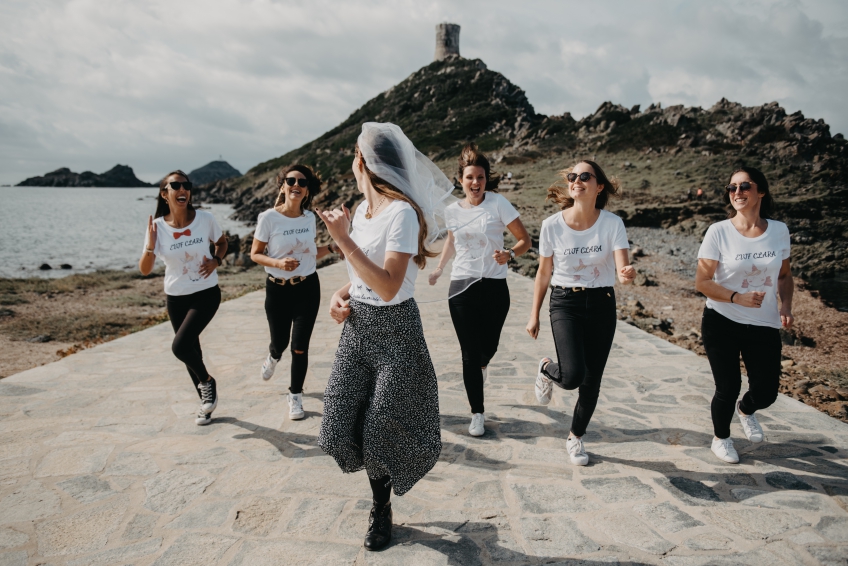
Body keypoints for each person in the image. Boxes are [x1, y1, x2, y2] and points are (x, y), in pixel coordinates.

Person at [317, 123, 449, 551]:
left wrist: (341, 240)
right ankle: (379, 486)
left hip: (396, 332)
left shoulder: (403, 214)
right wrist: (338, 296)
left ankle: (381, 508)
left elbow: (390, 285)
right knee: (337, 427)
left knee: (379, 430)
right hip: (357, 328)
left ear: (363, 161)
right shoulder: (361, 211)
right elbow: (361, 278)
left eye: (354, 156)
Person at [526, 161, 635, 465]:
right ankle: (547, 368)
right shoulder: (551, 225)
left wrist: (626, 273)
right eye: (573, 176)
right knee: (573, 375)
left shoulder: (612, 223)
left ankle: (576, 437)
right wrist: (534, 314)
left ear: (599, 186)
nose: (577, 180)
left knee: (592, 381)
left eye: (585, 176)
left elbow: (622, 266)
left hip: (602, 303)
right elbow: (543, 272)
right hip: (565, 303)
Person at [428, 144, 531, 436]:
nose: (476, 183)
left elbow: (524, 240)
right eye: (470, 177)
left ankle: (482, 364)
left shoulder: (499, 204)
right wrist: (439, 268)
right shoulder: (452, 211)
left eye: (481, 177)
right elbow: (451, 241)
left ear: (487, 180)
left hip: (495, 286)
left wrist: (509, 254)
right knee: (469, 354)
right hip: (461, 286)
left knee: (489, 348)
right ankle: (477, 412)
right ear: (461, 180)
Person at [695, 166, 793, 464]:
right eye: (732, 188)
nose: (737, 192)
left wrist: (786, 306)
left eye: (745, 186)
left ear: (760, 191)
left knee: (766, 392)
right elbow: (702, 282)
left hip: (763, 323)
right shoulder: (718, 231)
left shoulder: (779, 231)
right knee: (728, 386)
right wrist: (738, 297)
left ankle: (747, 410)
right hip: (721, 320)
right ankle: (721, 438)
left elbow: (785, 275)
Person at [139, 170, 228, 426]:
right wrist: (150, 244)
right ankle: (206, 405)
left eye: (186, 185)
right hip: (176, 297)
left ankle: (207, 383)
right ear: (164, 194)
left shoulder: (205, 219)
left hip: (206, 293)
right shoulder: (156, 227)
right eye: (175, 185)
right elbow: (145, 269)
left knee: (180, 347)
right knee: (192, 350)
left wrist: (217, 260)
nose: (182, 189)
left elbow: (222, 243)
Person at [250, 164, 335, 420]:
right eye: (291, 180)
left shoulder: (309, 218)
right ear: (283, 186)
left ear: (307, 190)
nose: (296, 185)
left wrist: (330, 248)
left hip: (307, 287)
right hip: (277, 291)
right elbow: (255, 254)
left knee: (299, 347)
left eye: (302, 182)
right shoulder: (268, 218)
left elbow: (309, 251)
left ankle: (295, 395)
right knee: (281, 343)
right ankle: (273, 355)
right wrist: (278, 263)